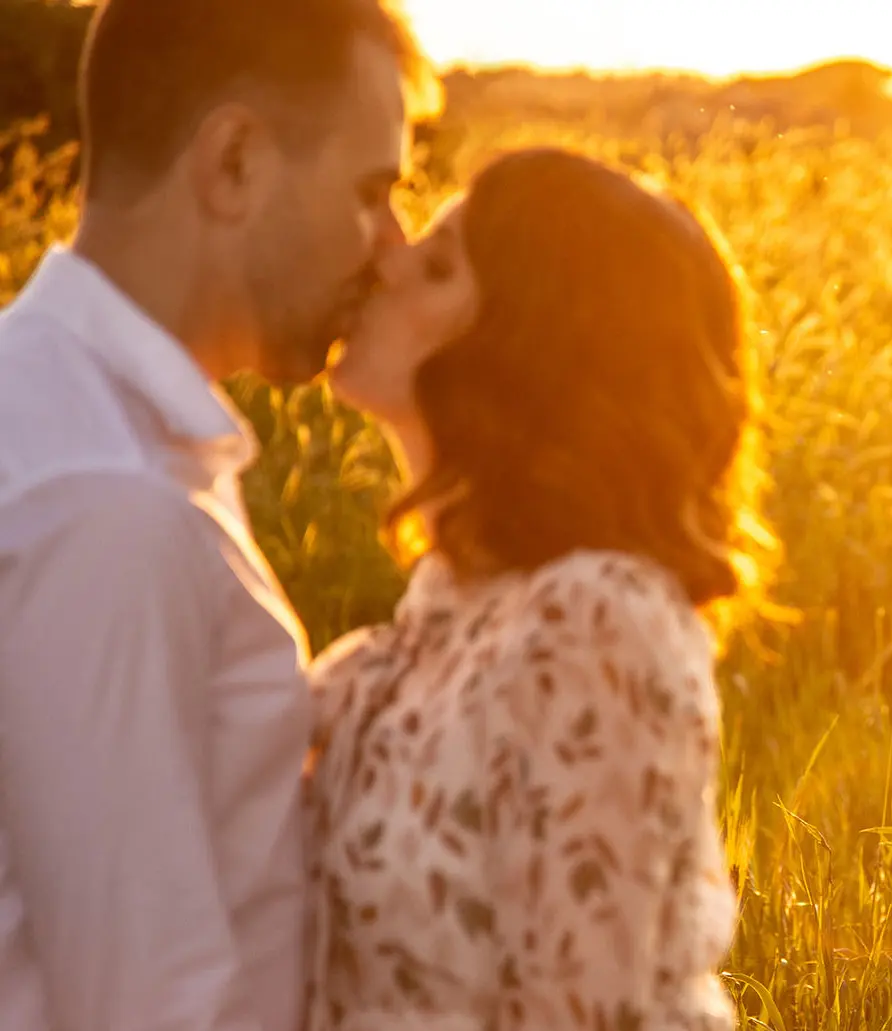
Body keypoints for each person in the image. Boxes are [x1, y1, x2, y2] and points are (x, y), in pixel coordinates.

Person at [0, 0, 428, 1028]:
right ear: (234, 162)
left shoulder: (76, 413)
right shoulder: (107, 501)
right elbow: (142, 1002)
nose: (392, 245)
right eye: (372, 192)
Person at [306, 147, 772, 1029]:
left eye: (439, 267)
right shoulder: (416, 636)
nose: (387, 257)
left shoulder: (599, 620)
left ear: (527, 350)